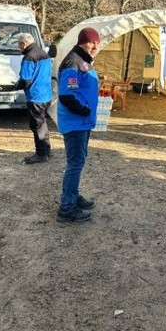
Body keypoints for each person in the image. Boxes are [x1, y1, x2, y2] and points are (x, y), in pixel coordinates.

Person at [56, 27, 100, 223]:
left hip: (82, 122)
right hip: (75, 122)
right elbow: (67, 95)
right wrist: (84, 110)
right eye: (91, 42)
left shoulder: (83, 61)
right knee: (75, 163)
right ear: (82, 42)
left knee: (78, 161)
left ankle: (73, 195)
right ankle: (67, 207)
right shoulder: (73, 63)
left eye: (97, 43)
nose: (95, 46)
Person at [15, 33, 53, 164]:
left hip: (36, 96)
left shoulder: (29, 57)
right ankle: (47, 150)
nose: (20, 48)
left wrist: (16, 86)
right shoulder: (44, 54)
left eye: (19, 46)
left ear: (23, 43)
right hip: (46, 94)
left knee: (37, 125)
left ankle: (41, 154)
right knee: (43, 123)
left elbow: (25, 79)